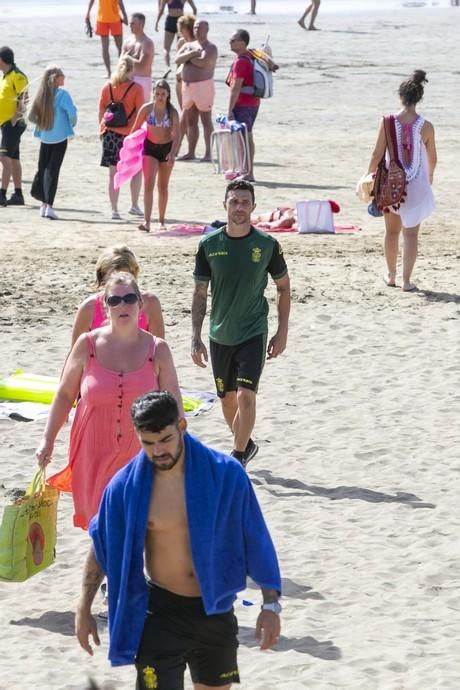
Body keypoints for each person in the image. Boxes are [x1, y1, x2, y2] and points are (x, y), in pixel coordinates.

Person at [76, 391, 282, 688]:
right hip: (160, 612)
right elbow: (102, 544)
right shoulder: (125, 486)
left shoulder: (225, 474)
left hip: (214, 610)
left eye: (165, 439)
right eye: (148, 443)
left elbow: (256, 538)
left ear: (182, 426)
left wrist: (270, 605)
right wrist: (83, 608)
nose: (158, 450)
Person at [36, 272, 183, 530]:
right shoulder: (87, 345)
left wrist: (182, 445)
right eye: (114, 301)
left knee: (134, 522)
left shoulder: (157, 349)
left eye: (129, 298)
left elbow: (173, 400)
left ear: (140, 303)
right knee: (100, 525)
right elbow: (64, 395)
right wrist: (48, 440)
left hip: (141, 451)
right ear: (105, 306)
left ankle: (123, 569)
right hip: (92, 450)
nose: (122, 305)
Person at [191, 180, 290, 466]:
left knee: (247, 396)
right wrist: (195, 337)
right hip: (220, 333)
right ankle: (246, 445)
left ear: (253, 207)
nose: (239, 207)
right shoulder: (209, 245)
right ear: (225, 205)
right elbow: (199, 294)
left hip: (253, 331)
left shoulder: (267, 245)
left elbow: (283, 288)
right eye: (234, 201)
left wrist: (282, 332)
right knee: (227, 400)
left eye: (245, 202)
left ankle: (237, 458)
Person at [367, 70, 437, 291]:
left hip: (391, 185)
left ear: (400, 96)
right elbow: (433, 158)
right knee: (411, 235)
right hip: (416, 184)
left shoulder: (387, 121)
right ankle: (407, 281)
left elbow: (377, 154)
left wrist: (369, 177)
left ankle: (391, 275)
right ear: (419, 98)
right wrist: (430, 177)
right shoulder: (426, 126)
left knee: (391, 232)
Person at [71, 245, 165, 345]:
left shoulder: (150, 303)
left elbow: (158, 351)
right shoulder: (89, 307)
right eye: (112, 277)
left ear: (134, 274)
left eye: (125, 276)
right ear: (102, 277)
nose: (119, 281)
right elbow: (75, 355)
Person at [28, 65, 77, 220]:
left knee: (43, 168)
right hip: (60, 137)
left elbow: (31, 116)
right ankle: (49, 205)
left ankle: (43, 205)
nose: (64, 77)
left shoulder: (42, 94)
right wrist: (71, 125)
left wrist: (43, 124)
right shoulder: (63, 95)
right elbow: (72, 114)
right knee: (53, 171)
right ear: (55, 79)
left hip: (45, 136)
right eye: (62, 75)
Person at [98, 55, 144, 220]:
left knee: (113, 174)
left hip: (110, 134)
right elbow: (141, 113)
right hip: (129, 135)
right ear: (131, 70)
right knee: (136, 171)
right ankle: (134, 205)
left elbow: (101, 110)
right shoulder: (137, 89)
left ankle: (114, 210)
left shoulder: (108, 87)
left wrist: (101, 130)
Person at [130, 78, 180, 232]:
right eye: (157, 93)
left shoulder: (172, 112)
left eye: (163, 94)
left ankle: (162, 220)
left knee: (163, 186)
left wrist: (172, 153)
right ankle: (147, 222)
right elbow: (135, 129)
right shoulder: (146, 109)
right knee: (148, 184)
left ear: (168, 95)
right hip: (149, 148)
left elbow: (177, 135)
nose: (159, 97)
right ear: (153, 93)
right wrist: (129, 149)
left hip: (166, 149)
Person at [175, 19, 217, 161]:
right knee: (190, 120)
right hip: (188, 86)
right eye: (195, 27)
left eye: (200, 27)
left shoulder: (211, 47)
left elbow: (202, 63)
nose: (197, 30)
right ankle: (191, 152)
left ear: (207, 29)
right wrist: (192, 54)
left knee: (206, 120)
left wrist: (187, 57)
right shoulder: (189, 45)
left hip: (203, 86)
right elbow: (177, 59)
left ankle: (208, 154)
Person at [227, 29, 260, 182]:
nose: (230, 42)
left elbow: (236, 87)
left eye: (233, 40)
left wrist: (230, 110)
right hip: (253, 102)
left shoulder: (241, 60)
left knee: (244, 139)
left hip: (243, 104)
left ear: (242, 42)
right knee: (247, 137)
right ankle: (245, 170)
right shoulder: (251, 56)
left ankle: (248, 172)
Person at [0, 46, 28, 207]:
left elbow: (24, 99)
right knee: (14, 158)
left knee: (4, 158)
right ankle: (18, 194)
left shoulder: (17, 76)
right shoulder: (6, 76)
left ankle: (1, 194)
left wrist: (15, 117)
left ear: (1, 60)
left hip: (13, 125)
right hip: (6, 124)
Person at [86, 0, 128, 78]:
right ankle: (112, 72)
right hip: (105, 19)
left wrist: (87, 14)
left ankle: (116, 72)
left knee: (118, 48)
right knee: (115, 48)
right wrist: (87, 13)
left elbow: (120, 2)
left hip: (109, 19)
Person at [122, 13, 155, 102]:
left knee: (142, 112)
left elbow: (142, 65)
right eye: (130, 24)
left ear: (141, 25)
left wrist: (127, 57)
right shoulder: (127, 42)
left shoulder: (147, 43)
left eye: (133, 23)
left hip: (142, 80)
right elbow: (121, 62)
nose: (130, 26)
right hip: (127, 79)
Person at [155, 0, 197, 67]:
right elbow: (194, 9)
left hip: (170, 21)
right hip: (181, 22)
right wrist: (192, 23)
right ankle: (179, 68)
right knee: (181, 47)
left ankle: (167, 67)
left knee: (166, 49)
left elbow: (161, 10)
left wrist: (157, 22)